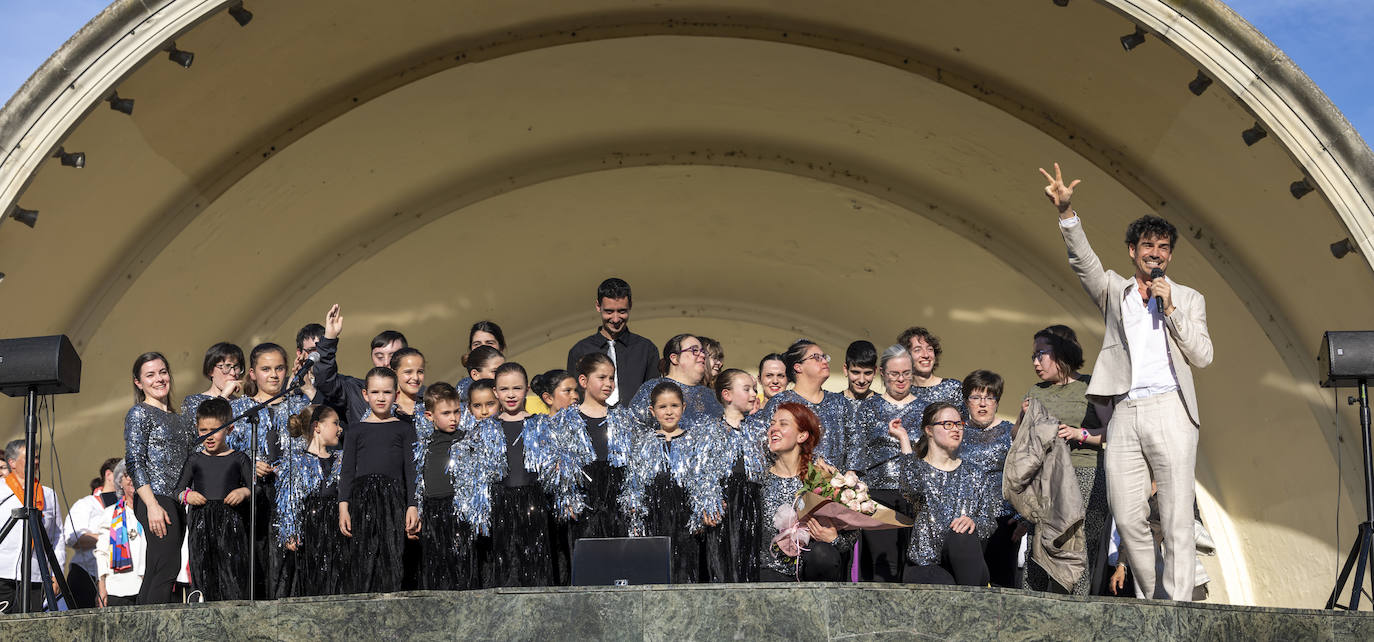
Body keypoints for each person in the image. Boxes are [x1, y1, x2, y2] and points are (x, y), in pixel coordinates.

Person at [1041, 162, 1212, 600]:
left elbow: (1203, 355)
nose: (1155, 253)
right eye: (1147, 246)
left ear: (1170, 255)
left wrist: (1171, 309)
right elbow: (1084, 262)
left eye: (1163, 247)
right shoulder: (1114, 291)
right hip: (1125, 410)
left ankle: (1176, 609)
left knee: (1175, 517)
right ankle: (1158, 603)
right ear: (1133, 251)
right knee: (1128, 514)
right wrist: (1066, 213)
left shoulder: (1188, 298)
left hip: (1172, 407)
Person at [456, 363, 570, 588]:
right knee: (505, 568)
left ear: (526, 389)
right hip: (499, 507)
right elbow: (473, 477)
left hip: (535, 507)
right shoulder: (484, 430)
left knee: (536, 567)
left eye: (516, 388)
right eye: (504, 389)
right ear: (496, 392)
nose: (510, 395)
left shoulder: (542, 425)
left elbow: (559, 472)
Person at [1021, 325, 1110, 595]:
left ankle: (1075, 614)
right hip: (1044, 479)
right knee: (1039, 542)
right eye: (1033, 356)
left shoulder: (1092, 386)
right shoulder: (1035, 391)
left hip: (1085, 473)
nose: (1036, 362)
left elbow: (1114, 433)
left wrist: (1077, 433)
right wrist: (1025, 419)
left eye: (1041, 354)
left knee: (1078, 545)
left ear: (1062, 353)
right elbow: (1017, 437)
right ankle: (1033, 609)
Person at [229, 342, 312, 599]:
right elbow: (226, 453)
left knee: (291, 569)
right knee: (259, 565)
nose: (273, 375)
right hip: (256, 499)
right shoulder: (240, 409)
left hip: (293, 498)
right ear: (252, 373)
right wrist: (250, 464)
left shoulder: (299, 406)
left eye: (279, 368)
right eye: (266, 369)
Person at [617, 381, 721, 583]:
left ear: (683, 407)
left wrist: (700, 514)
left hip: (686, 525)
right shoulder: (644, 444)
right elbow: (634, 484)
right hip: (653, 521)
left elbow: (704, 481)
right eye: (662, 407)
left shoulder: (693, 442)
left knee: (685, 572)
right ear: (652, 411)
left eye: (674, 406)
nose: (669, 412)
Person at [888, 402, 995, 585]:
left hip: (966, 561)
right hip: (926, 564)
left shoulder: (976, 474)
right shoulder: (918, 470)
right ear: (929, 430)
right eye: (948, 424)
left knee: (961, 536)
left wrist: (973, 522)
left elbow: (990, 523)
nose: (956, 429)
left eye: (959, 424)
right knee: (944, 584)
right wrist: (904, 439)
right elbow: (910, 487)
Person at [338, 367, 419, 594]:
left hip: (394, 499)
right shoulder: (355, 430)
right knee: (364, 558)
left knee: (392, 556)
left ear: (396, 394)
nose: (381, 398)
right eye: (375, 392)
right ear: (365, 395)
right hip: (362, 500)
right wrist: (343, 507)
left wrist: (412, 504)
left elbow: (411, 471)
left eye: (386, 392)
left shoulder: (404, 429)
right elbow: (347, 472)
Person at [123, 352, 194, 605]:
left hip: (176, 500)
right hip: (156, 499)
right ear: (138, 383)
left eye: (162, 372)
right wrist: (152, 504)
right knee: (166, 568)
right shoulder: (140, 413)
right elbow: (134, 461)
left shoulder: (179, 418)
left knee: (158, 568)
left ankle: (141, 627)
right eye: (150, 375)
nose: (159, 379)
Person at [850, 344, 924, 583]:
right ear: (882, 373)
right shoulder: (867, 408)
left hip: (915, 494)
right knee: (881, 565)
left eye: (906, 373)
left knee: (910, 563)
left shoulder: (926, 410)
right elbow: (856, 451)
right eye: (894, 374)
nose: (901, 379)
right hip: (877, 496)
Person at [756, 403, 853, 582]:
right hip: (769, 573)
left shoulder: (821, 476)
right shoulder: (757, 477)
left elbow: (851, 534)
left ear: (802, 435)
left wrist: (834, 539)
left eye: (783, 424)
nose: (773, 429)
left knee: (823, 555)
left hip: (813, 573)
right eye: (772, 423)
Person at [176, 397, 253, 601]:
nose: (208, 436)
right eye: (203, 430)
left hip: (231, 524)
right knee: (203, 571)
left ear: (229, 429)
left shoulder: (239, 458)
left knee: (232, 573)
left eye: (215, 430)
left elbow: (256, 488)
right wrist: (187, 495)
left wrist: (243, 492)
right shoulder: (195, 459)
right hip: (201, 522)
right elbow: (178, 489)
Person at [749, 340, 853, 472]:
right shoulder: (779, 402)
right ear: (798, 367)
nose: (824, 361)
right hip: (790, 486)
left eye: (824, 357)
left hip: (833, 488)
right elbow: (766, 445)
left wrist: (850, 477)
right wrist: (813, 461)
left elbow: (855, 445)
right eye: (816, 357)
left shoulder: (841, 402)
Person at [277, 404, 347, 597]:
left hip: (336, 529)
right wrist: (290, 531)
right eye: (335, 423)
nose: (340, 429)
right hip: (310, 531)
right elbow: (288, 499)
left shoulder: (340, 459)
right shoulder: (296, 461)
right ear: (317, 426)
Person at [706, 369, 767, 582]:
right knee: (723, 563)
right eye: (747, 389)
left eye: (755, 390)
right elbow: (702, 473)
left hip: (752, 502)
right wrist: (709, 501)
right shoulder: (710, 430)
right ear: (727, 395)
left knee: (748, 560)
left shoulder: (759, 429)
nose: (753, 394)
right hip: (724, 503)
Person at [958, 370, 1017, 588]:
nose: (983, 404)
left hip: (1003, 520)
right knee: (969, 583)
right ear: (966, 402)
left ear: (997, 401)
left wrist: (1022, 516)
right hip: (965, 521)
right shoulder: (956, 432)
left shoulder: (1011, 433)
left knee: (1003, 584)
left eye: (989, 397)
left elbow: (1024, 476)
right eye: (976, 397)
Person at [565, 278, 659, 406]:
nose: (615, 319)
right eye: (609, 312)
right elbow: (574, 398)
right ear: (598, 306)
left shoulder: (646, 349)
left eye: (622, 311)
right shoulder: (580, 351)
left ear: (630, 306)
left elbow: (654, 396)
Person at [412, 382, 469, 591]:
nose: (453, 418)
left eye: (457, 412)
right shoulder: (422, 445)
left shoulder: (467, 440)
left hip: (459, 510)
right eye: (446, 413)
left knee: (461, 563)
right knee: (436, 564)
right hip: (432, 511)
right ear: (429, 415)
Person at [566, 353, 628, 545]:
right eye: (601, 377)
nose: (608, 383)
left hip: (617, 505)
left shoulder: (622, 419)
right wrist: (567, 497)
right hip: (583, 505)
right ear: (583, 381)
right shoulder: (567, 421)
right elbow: (561, 467)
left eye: (611, 378)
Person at [313, 303, 409, 426]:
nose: (386, 362)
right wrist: (329, 339)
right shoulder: (355, 391)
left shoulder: (419, 396)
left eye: (392, 356)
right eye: (379, 356)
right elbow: (325, 380)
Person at [0, 439, 65, 612]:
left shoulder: (48, 495)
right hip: (2, 573)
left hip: (35, 574)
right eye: (29, 457)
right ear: (12, 462)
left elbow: (57, 537)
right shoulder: (1, 490)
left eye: (36, 457)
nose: (35, 461)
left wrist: (56, 574)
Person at [618, 334, 724, 434]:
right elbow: (633, 431)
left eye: (703, 352)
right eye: (695, 350)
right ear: (674, 358)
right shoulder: (653, 388)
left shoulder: (712, 396)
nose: (702, 355)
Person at [62, 457, 122, 609]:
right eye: (123, 474)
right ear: (109, 475)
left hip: (116, 577)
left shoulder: (127, 506)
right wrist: (109, 537)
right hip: (86, 574)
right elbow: (72, 537)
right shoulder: (86, 504)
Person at [94, 460, 143, 607]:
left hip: (146, 586)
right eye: (127, 475)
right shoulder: (110, 514)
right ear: (119, 482)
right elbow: (101, 552)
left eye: (136, 474)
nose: (132, 479)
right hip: (116, 589)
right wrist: (101, 586)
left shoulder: (153, 512)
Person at [897, 327, 963, 408]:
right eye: (917, 350)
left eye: (930, 349)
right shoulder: (900, 392)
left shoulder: (953, 388)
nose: (926, 355)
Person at [180, 342, 245, 418]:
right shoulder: (194, 402)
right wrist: (223, 397)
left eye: (236, 367)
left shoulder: (243, 404)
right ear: (210, 371)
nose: (233, 373)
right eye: (226, 366)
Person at [457, 322, 505, 401]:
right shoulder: (463, 388)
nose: (483, 347)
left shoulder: (513, 380)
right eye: (477, 344)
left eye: (489, 343)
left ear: (501, 348)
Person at [842, 340, 878, 411]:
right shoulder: (832, 404)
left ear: (875, 371)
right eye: (856, 372)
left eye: (867, 373)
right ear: (846, 370)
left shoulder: (885, 406)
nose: (862, 380)